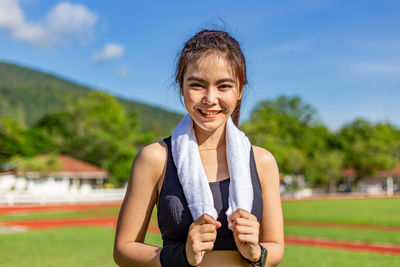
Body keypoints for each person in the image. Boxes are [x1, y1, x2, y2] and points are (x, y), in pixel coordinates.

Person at [113, 29, 284, 267]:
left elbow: (275, 246)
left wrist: (257, 253)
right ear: (181, 87)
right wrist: (182, 256)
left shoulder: (262, 161)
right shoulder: (156, 158)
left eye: (224, 86)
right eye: (197, 85)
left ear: (239, 91)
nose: (210, 98)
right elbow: (123, 250)